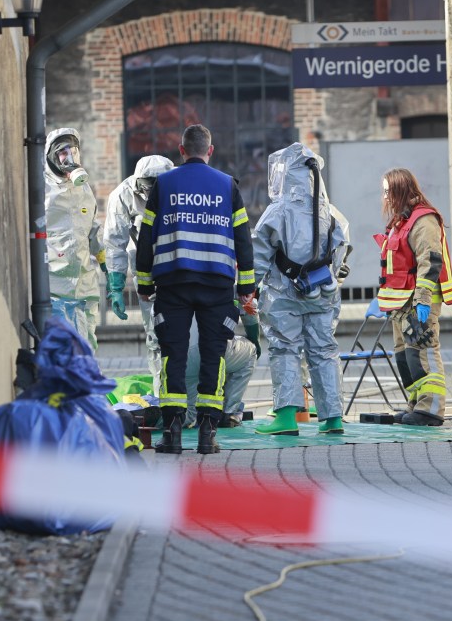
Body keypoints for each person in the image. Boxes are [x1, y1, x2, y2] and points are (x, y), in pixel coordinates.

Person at [135, 124, 256, 455]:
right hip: (216, 285)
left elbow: (147, 236)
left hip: (172, 281)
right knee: (213, 355)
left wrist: (144, 282)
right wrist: (247, 286)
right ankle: (207, 434)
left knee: (172, 354)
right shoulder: (227, 186)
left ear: (181, 150)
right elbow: (243, 238)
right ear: (210, 151)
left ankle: (172, 434)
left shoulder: (163, 185)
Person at [252, 143, 350, 436]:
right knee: (324, 350)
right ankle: (332, 418)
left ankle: (285, 417)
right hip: (322, 293)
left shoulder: (277, 212)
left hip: (283, 293)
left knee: (285, 349)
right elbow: (341, 252)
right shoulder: (331, 213)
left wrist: (245, 287)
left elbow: (258, 255)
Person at [377, 168, 452, 426]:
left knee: (422, 352)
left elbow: (430, 261)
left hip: (419, 301)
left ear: (400, 190)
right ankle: (417, 405)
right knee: (405, 356)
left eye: (388, 191)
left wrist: (422, 300)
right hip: (401, 303)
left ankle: (431, 410)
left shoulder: (424, 221)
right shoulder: (403, 221)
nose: (385, 197)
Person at [103, 154, 175, 395]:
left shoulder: (180, 187)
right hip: (148, 274)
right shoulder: (122, 196)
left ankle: (189, 396)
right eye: (146, 188)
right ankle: (162, 395)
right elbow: (115, 242)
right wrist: (116, 284)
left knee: (188, 335)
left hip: (181, 268)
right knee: (156, 334)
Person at [44, 127, 106, 350]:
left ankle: (85, 383)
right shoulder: (42, 188)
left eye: (72, 150)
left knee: (86, 342)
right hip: (54, 283)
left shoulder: (83, 189)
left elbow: (92, 227)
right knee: (62, 347)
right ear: (51, 155)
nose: (68, 157)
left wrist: (105, 261)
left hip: (83, 282)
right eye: (62, 152)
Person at [184, 316, 259, 429]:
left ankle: (155, 420)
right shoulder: (220, 297)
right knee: (251, 350)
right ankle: (228, 413)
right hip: (213, 348)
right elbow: (249, 310)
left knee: (188, 412)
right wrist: (255, 341)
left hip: (180, 353)